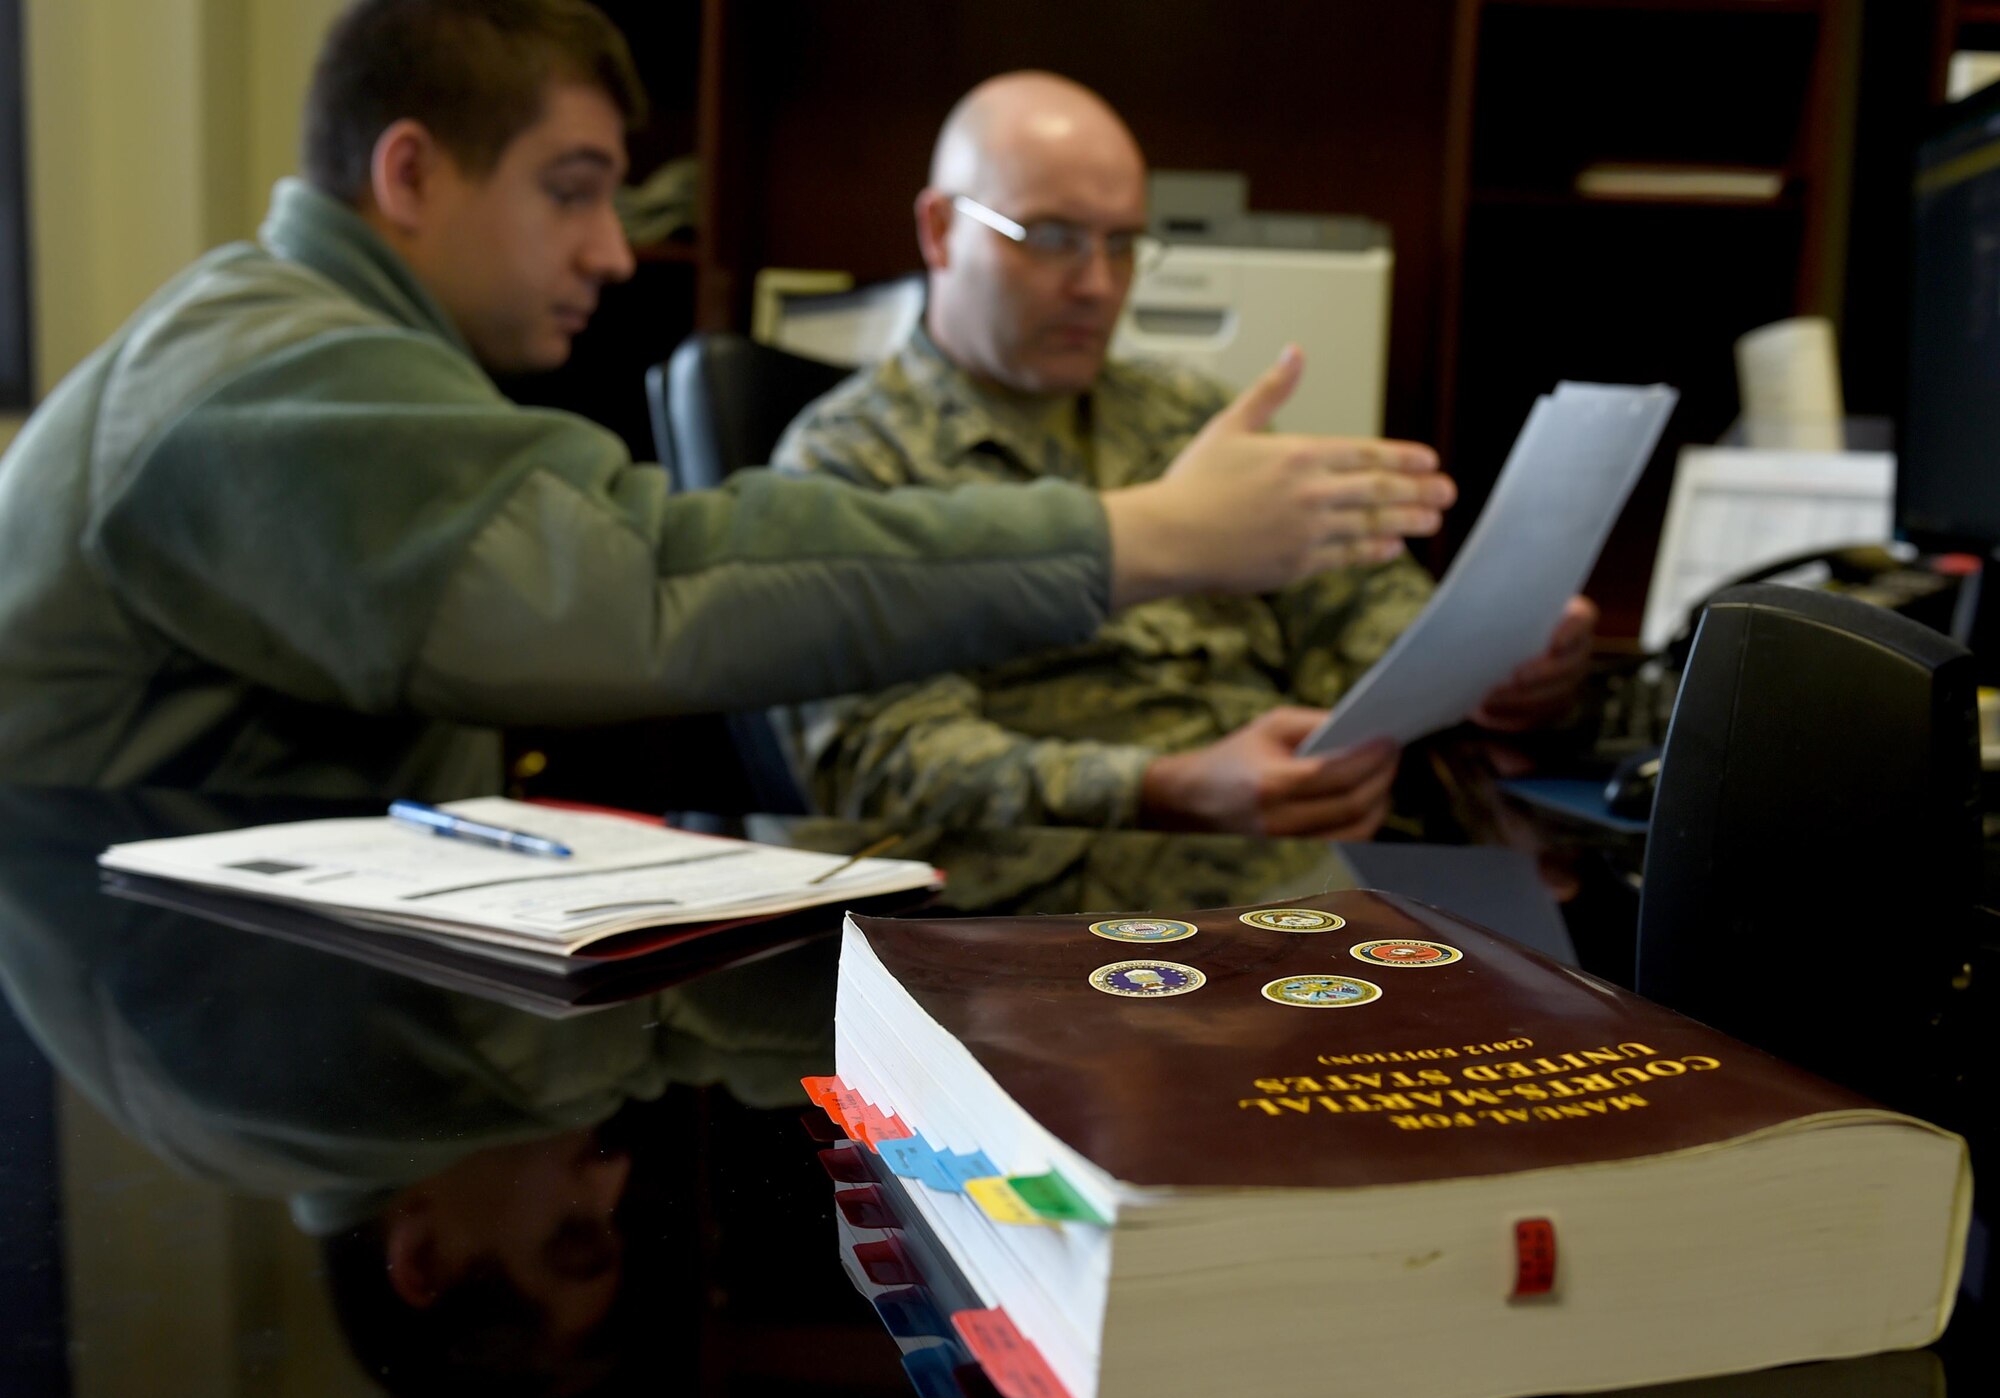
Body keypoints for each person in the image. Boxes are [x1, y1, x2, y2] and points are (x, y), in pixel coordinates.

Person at [0, 1, 1455, 801]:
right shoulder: (278, 378)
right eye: (571, 191)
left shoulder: (331, 346)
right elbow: (647, 581)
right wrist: (1140, 539)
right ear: (409, 174)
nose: (611, 252)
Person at [774, 71, 1594, 839]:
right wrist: (1165, 786)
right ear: (941, 230)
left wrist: (1497, 671)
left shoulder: (1192, 414)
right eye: (1052, 236)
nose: (1098, 283)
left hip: (1321, 871)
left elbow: (1357, 612)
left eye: (1124, 242)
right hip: (1056, 920)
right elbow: (877, 767)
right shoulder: (847, 463)